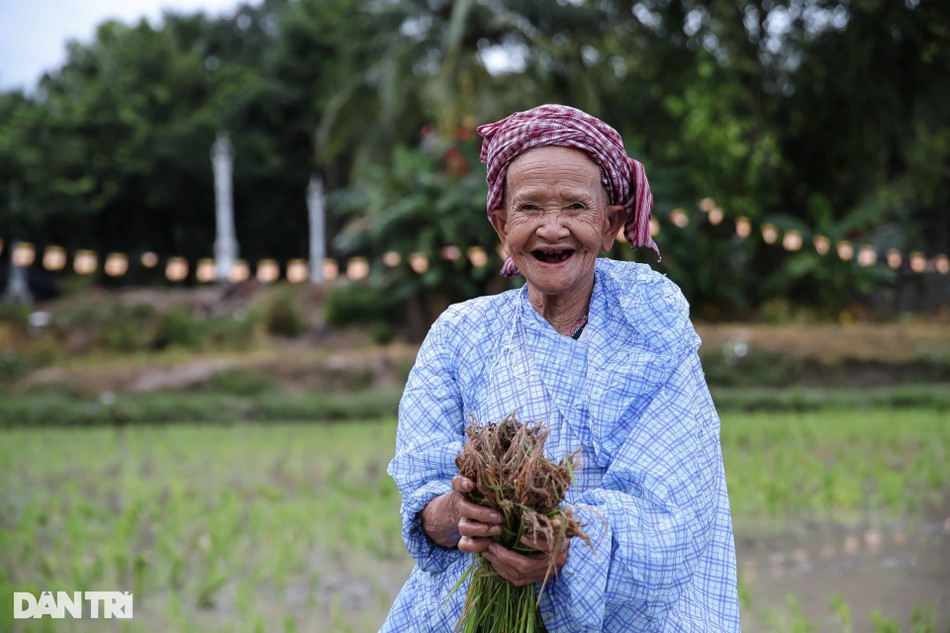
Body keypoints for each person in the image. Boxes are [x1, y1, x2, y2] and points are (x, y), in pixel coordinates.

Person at [380, 104, 740, 632]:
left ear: (611, 223)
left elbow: (672, 501)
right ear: (502, 225)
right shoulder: (460, 335)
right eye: (529, 209)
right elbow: (424, 492)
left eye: (576, 205)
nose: (552, 229)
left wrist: (563, 542)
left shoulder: (653, 324)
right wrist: (458, 512)